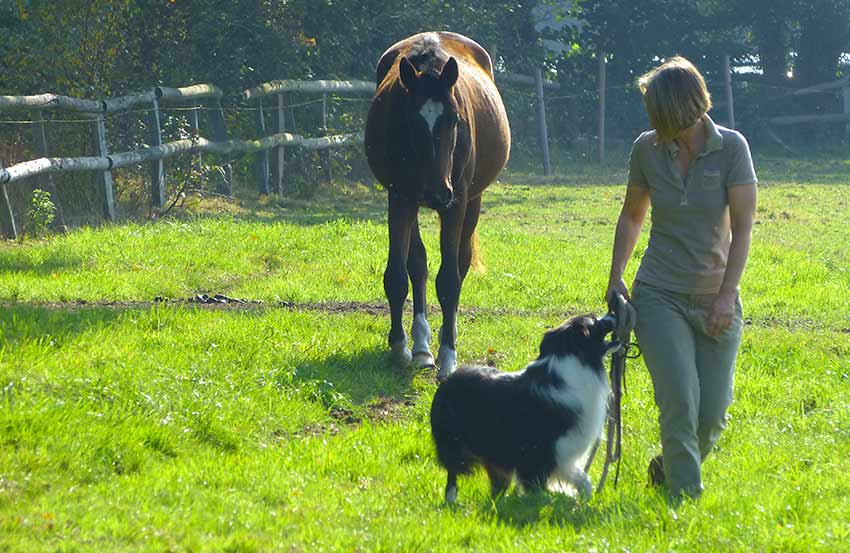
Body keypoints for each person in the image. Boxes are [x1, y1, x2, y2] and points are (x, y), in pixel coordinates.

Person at [606, 56, 757, 499]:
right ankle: (683, 502)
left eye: (657, 109)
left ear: (680, 107)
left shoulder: (732, 148)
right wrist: (616, 276)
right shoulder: (647, 149)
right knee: (679, 403)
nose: (651, 119)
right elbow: (633, 216)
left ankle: (667, 467)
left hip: (715, 295)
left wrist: (727, 296)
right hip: (659, 294)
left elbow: (744, 227)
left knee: (712, 415)